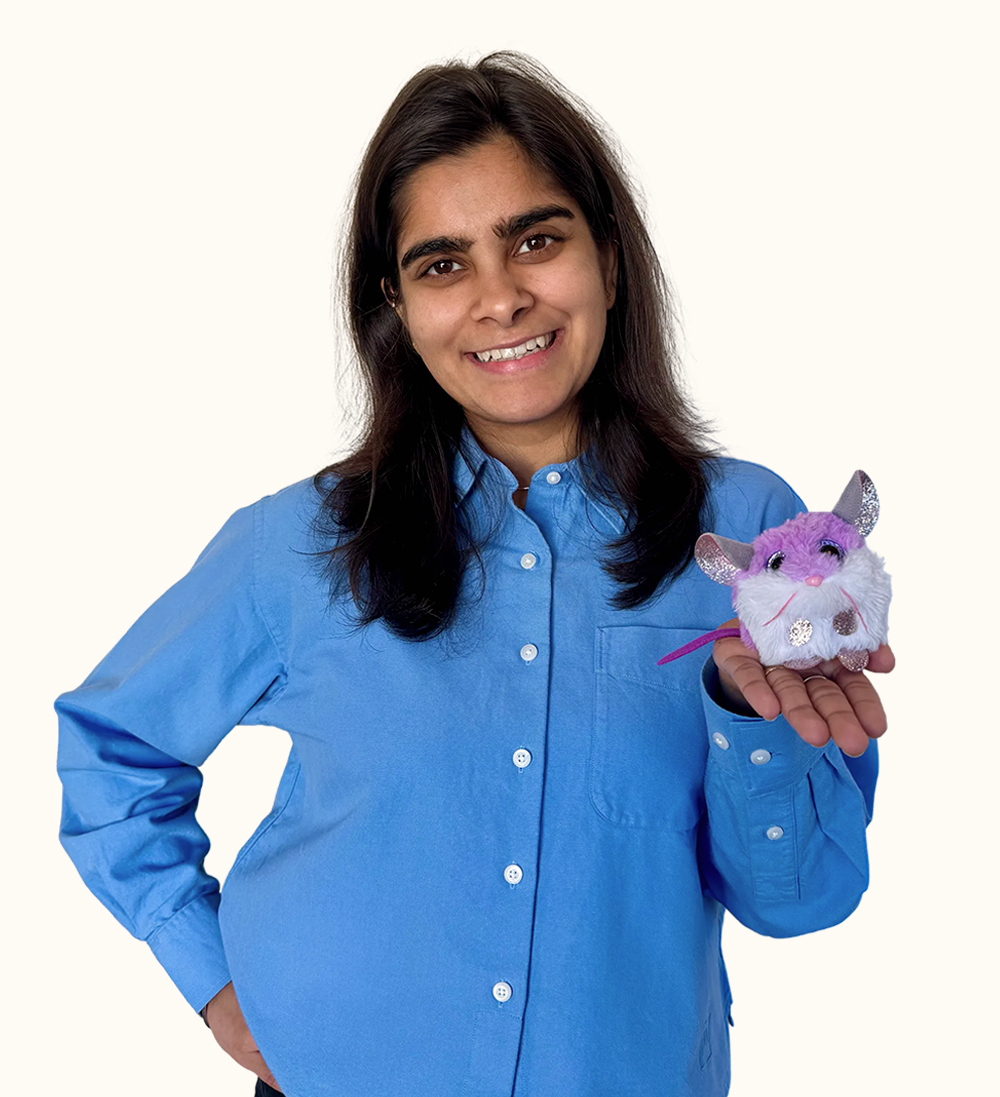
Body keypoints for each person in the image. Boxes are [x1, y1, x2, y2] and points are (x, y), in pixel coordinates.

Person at [55, 52, 892, 1097]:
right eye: (442, 264)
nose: (500, 299)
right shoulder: (299, 545)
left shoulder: (751, 536)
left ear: (609, 260)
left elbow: (801, 899)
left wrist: (748, 713)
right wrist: (216, 980)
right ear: (396, 306)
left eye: (535, 240)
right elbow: (111, 747)